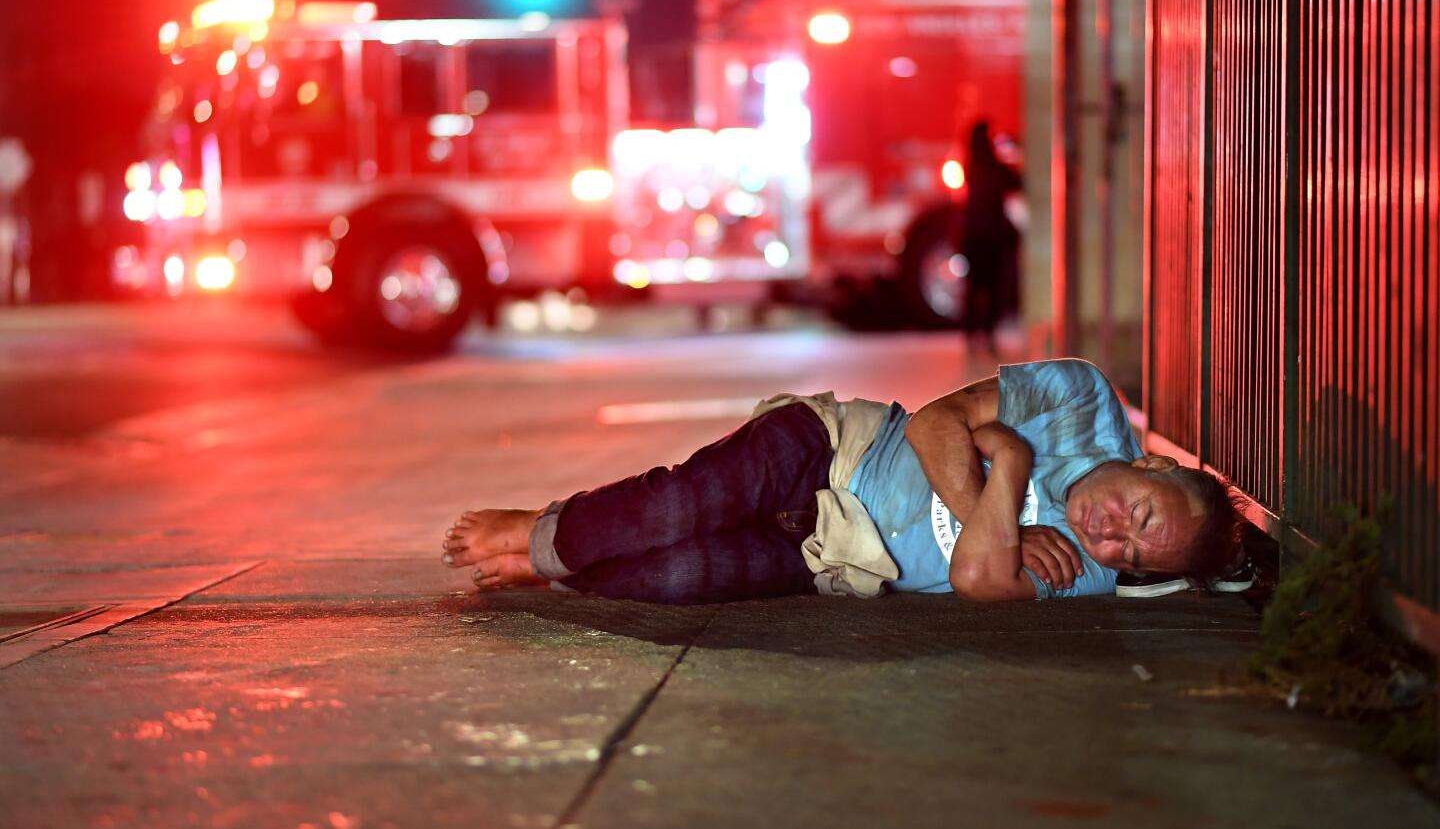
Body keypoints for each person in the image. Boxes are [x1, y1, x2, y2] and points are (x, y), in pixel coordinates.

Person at [441, 359, 1248, 604]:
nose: (1112, 533)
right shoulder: (1078, 400)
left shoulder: (1088, 567)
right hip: (828, 449)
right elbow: (934, 421)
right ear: (1152, 464)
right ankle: (540, 531)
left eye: (1135, 553)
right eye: (1141, 511)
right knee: (676, 507)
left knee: (677, 575)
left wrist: (1011, 464)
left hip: (836, 555)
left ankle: (559, 565)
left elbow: (975, 577)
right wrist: (988, 512)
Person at [955, 121, 1022, 349]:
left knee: (974, 286)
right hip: (992, 236)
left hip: (973, 235)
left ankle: (972, 333)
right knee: (992, 286)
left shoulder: (970, 166)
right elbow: (1017, 182)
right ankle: (987, 332)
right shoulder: (993, 167)